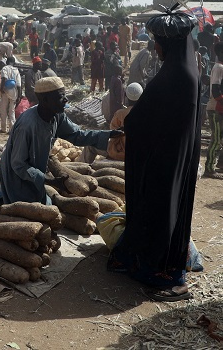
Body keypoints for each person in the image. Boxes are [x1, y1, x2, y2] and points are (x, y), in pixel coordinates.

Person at [108, 7, 201, 302]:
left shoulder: (175, 77)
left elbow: (146, 117)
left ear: (170, 44)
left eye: (159, 42)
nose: (156, 47)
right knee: (165, 209)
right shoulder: (187, 72)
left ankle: (166, 274)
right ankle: (162, 266)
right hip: (172, 157)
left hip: (165, 160)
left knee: (160, 210)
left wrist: (128, 120)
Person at [0, 77, 123, 205]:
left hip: (36, 168)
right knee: (28, 211)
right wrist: (48, 180)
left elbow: (77, 135)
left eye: (64, 95)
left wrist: (109, 134)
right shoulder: (27, 126)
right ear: (45, 100)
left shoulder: (57, 115)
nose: (66, 100)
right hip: (16, 175)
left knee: (44, 203)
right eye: (60, 97)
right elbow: (18, 164)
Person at [107, 82, 142, 161]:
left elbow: (112, 132)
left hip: (122, 153)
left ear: (126, 96)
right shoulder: (148, 113)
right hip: (142, 152)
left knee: (91, 146)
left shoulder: (120, 114)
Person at [206, 41, 223, 179]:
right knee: (216, 139)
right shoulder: (219, 67)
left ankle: (218, 164)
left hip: (219, 108)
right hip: (216, 109)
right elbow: (216, 91)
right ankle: (210, 168)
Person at [0, 56, 21, 133]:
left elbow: (4, 78)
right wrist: (19, 96)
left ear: (7, 62)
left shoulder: (4, 68)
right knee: (11, 111)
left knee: (3, 110)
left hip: (5, 91)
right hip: (14, 92)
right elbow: (19, 85)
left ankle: (3, 128)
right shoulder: (16, 70)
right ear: (13, 63)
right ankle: (11, 129)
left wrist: (1, 88)